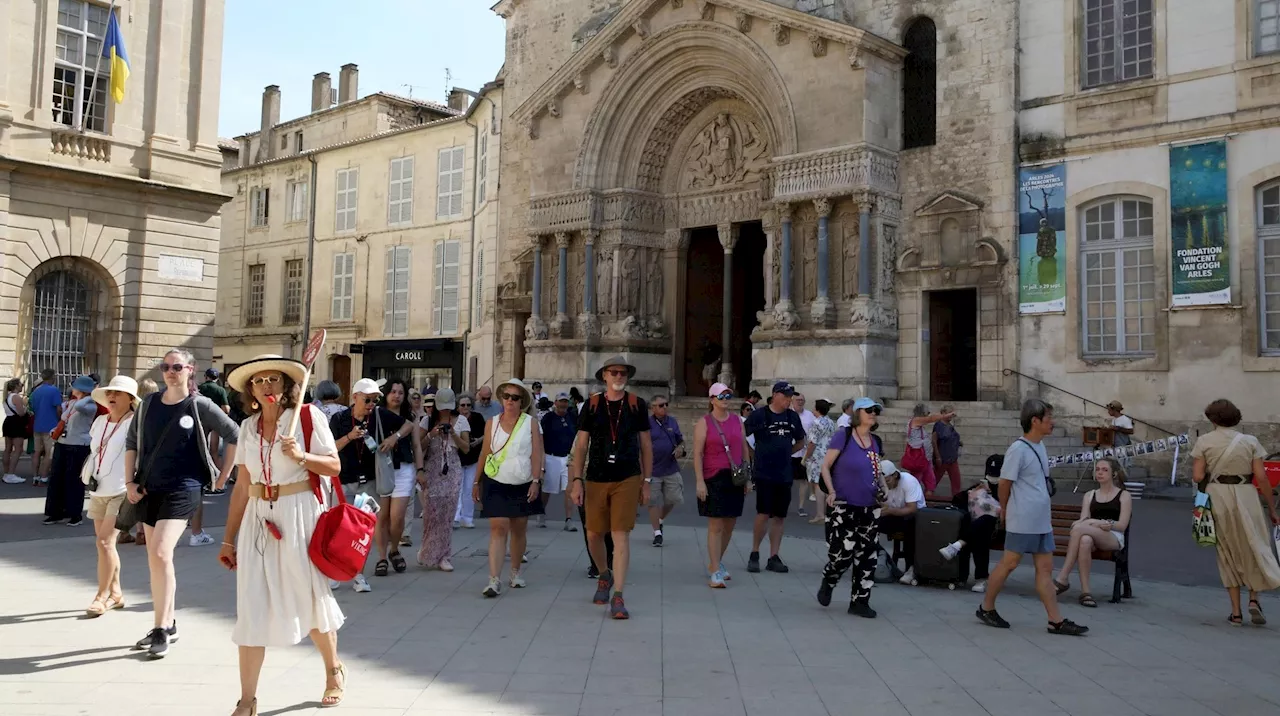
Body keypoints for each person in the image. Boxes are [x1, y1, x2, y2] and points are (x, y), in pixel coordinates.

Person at [221, 356, 347, 714]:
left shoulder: (306, 417)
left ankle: (333, 671)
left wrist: (303, 455)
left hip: (299, 515)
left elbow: (334, 465)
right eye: (258, 381)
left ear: (286, 385)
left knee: (308, 596)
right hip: (258, 520)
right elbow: (243, 486)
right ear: (251, 391)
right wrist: (229, 539)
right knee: (251, 604)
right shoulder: (247, 427)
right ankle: (247, 699)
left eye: (273, 379)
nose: (266, 386)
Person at [125, 349, 240, 658]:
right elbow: (132, 443)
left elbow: (234, 434)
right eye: (166, 367)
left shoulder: (200, 405)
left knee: (161, 552)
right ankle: (168, 622)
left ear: (191, 370)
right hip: (149, 489)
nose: (171, 371)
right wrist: (129, 482)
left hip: (184, 489)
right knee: (156, 559)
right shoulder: (148, 404)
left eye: (177, 367)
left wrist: (224, 475)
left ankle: (161, 628)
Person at [976, 399, 1087, 636]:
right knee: (1010, 563)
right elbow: (1004, 483)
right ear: (1034, 421)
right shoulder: (1018, 449)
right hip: (1023, 518)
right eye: (1048, 418)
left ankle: (1055, 621)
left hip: (1040, 520)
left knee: (1045, 569)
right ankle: (986, 607)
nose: (1053, 423)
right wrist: (1005, 509)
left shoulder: (1040, 446)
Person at [570, 355, 652, 619]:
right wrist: (576, 481)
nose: (619, 377)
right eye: (614, 372)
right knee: (593, 533)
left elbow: (646, 445)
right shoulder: (592, 405)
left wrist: (647, 481)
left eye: (623, 373)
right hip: (596, 476)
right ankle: (604, 574)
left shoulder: (636, 405)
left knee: (620, 535)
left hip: (627, 476)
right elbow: (581, 445)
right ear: (604, 375)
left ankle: (618, 595)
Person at [1190, 398, 1280, 626]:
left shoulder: (1204, 441)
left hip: (1217, 495)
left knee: (1226, 550)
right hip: (1246, 494)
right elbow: (1261, 477)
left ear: (1212, 419)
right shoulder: (1250, 441)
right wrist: (1272, 507)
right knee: (1252, 544)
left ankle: (1236, 613)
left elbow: (1198, 477)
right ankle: (1253, 599)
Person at [816, 395, 885, 618]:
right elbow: (825, 466)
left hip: (869, 506)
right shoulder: (843, 436)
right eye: (869, 410)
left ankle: (860, 602)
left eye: (876, 410)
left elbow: (877, 470)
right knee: (842, 555)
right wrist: (832, 491)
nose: (873, 413)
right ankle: (830, 578)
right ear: (858, 414)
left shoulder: (875, 441)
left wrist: (884, 489)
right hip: (844, 505)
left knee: (867, 557)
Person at [473, 379, 544, 596]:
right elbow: (484, 453)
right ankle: (494, 579)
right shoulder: (492, 422)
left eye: (515, 397)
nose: (510, 401)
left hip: (522, 481)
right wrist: (476, 482)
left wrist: (535, 480)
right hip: (496, 480)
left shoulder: (530, 422)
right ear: (501, 398)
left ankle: (515, 572)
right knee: (498, 527)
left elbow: (537, 453)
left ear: (521, 401)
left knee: (519, 528)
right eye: (507, 396)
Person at [328, 378, 389, 593]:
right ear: (355, 397)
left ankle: (358, 575)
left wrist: (393, 439)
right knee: (340, 530)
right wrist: (349, 437)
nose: (371, 404)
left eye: (374, 400)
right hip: (344, 482)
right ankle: (335, 573)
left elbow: (408, 424)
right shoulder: (339, 419)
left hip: (369, 483)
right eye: (368, 399)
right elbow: (330, 448)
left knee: (362, 533)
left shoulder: (378, 417)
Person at [83, 376, 137, 616]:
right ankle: (116, 593)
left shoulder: (134, 424)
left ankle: (101, 596)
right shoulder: (100, 421)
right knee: (106, 546)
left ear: (130, 399)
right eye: (110, 393)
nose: (112, 397)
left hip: (122, 490)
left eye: (118, 393)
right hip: (98, 489)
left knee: (104, 541)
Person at [742, 381, 806, 574]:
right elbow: (741, 436)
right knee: (763, 513)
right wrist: (753, 454)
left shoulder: (792, 417)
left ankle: (774, 556)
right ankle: (754, 552)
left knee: (779, 515)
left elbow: (800, 440)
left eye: (790, 397)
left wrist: (787, 453)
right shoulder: (760, 415)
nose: (789, 400)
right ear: (775, 395)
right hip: (764, 472)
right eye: (786, 396)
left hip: (784, 472)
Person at [1052, 457, 1132, 608]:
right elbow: (1084, 518)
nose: (1100, 472)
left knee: (1079, 529)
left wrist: (1104, 523)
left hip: (1113, 536)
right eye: (1098, 469)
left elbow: (1122, 525)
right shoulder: (1089, 495)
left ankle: (1062, 578)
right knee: (1085, 540)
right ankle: (1086, 592)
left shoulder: (1123, 495)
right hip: (1091, 533)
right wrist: (1089, 523)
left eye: (1104, 470)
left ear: (1114, 474)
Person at [694, 383, 751, 588]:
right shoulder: (705, 422)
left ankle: (716, 561)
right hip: (714, 475)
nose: (725, 399)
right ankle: (716, 569)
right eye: (721, 396)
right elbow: (698, 454)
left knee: (730, 523)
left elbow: (744, 448)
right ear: (712, 399)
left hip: (735, 476)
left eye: (728, 395)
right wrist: (700, 481)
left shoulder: (737, 420)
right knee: (716, 524)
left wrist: (748, 477)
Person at [415, 388, 470, 571]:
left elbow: (466, 448)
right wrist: (431, 434)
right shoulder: (427, 420)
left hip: (452, 468)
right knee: (431, 513)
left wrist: (453, 433)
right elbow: (418, 446)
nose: (445, 411)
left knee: (448, 513)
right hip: (432, 466)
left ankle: (445, 555)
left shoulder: (461, 421)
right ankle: (428, 551)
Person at [367, 378, 414, 577]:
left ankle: (394, 548)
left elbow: (417, 445)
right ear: (386, 395)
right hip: (382, 469)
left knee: (398, 517)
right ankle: (382, 557)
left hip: (403, 467)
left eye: (400, 392)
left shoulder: (408, 416)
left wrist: (420, 469)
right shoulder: (375, 414)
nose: (396, 395)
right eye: (393, 391)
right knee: (382, 516)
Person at [939, 454, 1005, 593]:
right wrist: (974, 493)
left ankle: (958, 546)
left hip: (1000, 529)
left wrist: (993, 497)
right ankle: (976, 578)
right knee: (974, 525)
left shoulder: (1009, 488)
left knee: (986, 520)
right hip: (980, 530)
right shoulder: (981, 485)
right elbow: (957, 501)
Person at [42, 375, 98, 526]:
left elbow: (80, 408)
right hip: (63, 442)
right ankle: (55, 513)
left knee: (73, 480)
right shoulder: (72, 403)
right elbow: (64, 420)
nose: (71, 389)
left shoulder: (89, 404)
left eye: (75, 387)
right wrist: (56, 429)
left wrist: (88, 394)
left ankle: (75, 515)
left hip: (79, 444)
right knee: (56, 478)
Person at [874, 460, 925, 585]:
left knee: (910, 526)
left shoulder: (908, 481)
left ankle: (910, 568)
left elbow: (912, 508)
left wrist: (889, 511)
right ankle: (880, 558)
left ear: (895, 475)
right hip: (894, 514)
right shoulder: (881, 485)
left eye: (888, 481)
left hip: (915, 517)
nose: (886, 485)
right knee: (869, 525)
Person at [647, 394, 685, 546]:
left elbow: (680, 440)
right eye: (661, 405)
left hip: (670, 467)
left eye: (666, 404)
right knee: (653, 501)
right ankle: (657, 533)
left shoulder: (672, 422)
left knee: (674, 498)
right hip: (653, 469)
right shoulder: (647, 424)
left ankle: (660, 519)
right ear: (653, 408)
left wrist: (680, 448)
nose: (665, 408)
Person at [540, 392, 578, 531]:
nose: (563, 404)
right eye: (561, 402)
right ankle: (541, 512)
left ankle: (569, 519)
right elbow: (541, 438)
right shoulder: (548, 418)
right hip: (551, 457)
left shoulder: (572, 417)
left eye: (565, 402)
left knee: (569, 489)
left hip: (568, 458)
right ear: (555, 403)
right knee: (547, 489)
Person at [905, 403, 953, 495]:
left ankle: (928, 501)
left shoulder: (918, 423)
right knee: (915, 481)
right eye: (927, 412)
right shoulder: (915, 420)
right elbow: (930, 419)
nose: (928, 413)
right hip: (918, 458)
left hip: (925, 458)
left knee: (930, 482)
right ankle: (913, 500)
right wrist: (946, 415)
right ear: (922, 412)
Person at [802, 399, 836, 525]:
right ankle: (829, 512)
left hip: (817, 456)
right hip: (828, 454)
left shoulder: (816, 423)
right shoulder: (831, 422)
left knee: (818, 484)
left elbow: (812, 442)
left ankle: (820, 513)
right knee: (827, 484)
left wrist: (806, 457)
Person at [455, 393, 486, 530]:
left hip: (473, 458)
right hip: (457, 458)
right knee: (457, 489)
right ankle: (455, 517)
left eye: (468, 405)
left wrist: (477, 441)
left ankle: (467, 517)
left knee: (469, 489)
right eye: (462, 405)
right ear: (457, 406)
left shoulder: (477, 418)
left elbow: (486, 433)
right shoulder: (455, 419)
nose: (466, 407)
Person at [28, 368, 63, 486]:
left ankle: (35, 476)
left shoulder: (36, 391)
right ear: (52, 377)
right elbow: (58, 408)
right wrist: (60, 420)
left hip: (37, 425)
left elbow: (32, 407)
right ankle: (43, 477)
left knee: (37, 452)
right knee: (49, 453)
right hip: (51, 426)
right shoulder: (54, 390)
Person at [790, 393, 816, 518]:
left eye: (802, 400)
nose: (800, 402)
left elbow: (813, 432)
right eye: (798, 400)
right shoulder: (786, 413)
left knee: (803, 481)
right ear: (792, 401)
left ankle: (801, 507)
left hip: (803, 453)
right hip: (789, 452)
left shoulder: (809, 415)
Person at [932, 406, 964, 496]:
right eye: (949, 413)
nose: (951, 415)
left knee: (956, 481)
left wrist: (958, 442)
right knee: (934, 480)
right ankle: (927, 497)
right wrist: (937, 457)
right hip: (943, 457)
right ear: (943, 413)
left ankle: (956, 500)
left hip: (953, 458)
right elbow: (934, 441)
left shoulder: (950, 425)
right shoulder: (938, 425)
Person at [2, 378, 28, 483]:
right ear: (16, 386)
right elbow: (21, 413)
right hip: (16, 423)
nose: (22, 386)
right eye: (21, 384)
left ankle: (6, 473)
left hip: (8, 421)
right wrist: (25, 405)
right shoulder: (16, 397)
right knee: (18, 449)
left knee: (8, 448)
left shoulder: (6, 397)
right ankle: (11, 474)